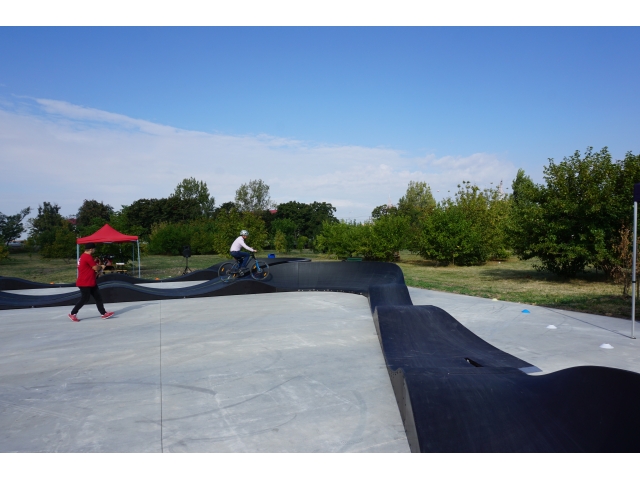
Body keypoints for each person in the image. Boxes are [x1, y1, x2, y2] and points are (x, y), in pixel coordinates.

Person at [68, 243, 115, 322]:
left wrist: (98, 269)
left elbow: (91, 268)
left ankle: (103, 313)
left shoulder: (83, 256)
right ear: (91, 249)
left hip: (90, 281)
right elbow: (95, 268)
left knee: (98, 297)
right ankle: (73, 313)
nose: (94, 250)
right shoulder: (87, 257)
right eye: (94, 249)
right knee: (85, 299)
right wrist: (101, 266)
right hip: (85, 282)